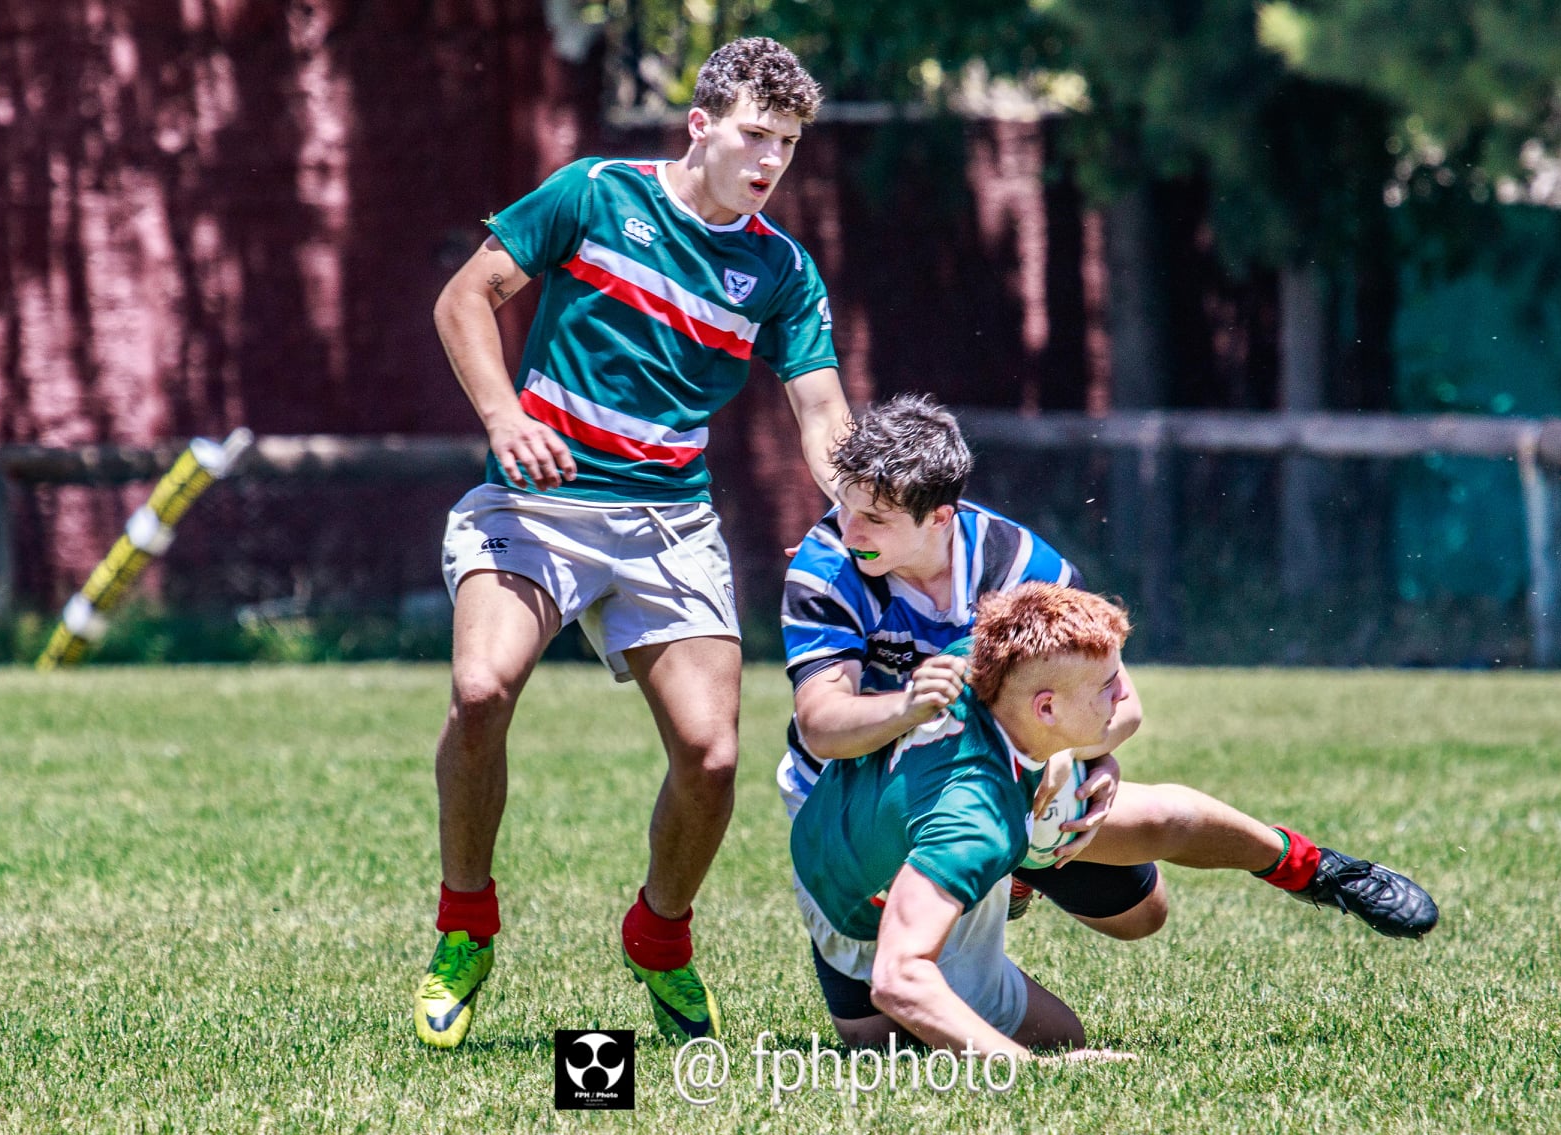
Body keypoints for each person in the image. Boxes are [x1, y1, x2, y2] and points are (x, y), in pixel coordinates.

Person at [415, 37, 851, 1050]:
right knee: (481, 691)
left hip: (668, 526)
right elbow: (462, 299)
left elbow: (821, 407)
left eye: (785, 144)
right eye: (753, 135)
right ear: (699, 124)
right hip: (535, 507)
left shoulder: (780, 269)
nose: (768, 160)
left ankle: (659, 936)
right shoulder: (594, 193)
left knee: (711, 755)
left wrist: (855, 500)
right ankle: (465, 925)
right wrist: (502, 420)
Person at [779, 394, 1438, 944]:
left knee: (1142, 916)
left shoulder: (1019, 567)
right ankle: (998, 869)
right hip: (864, 794)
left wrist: (1069, 749)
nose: (846, 527)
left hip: (1010, 772)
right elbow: (822, 727)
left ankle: (1317, 869)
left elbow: (1123, 703)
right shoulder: (827, 568)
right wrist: (907, 709)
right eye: (845, 505)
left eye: (873, 517)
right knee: (887, 1029)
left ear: (940, 517)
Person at [789, 582, 1143, 1057]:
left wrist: (1073, 754)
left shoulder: (975, 662)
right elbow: (898, 981)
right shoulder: (975, 820)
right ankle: (996, 886)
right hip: (854, 912)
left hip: (833, 830)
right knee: (1057, 1041)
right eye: (1107, 686)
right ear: (1046, 709)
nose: (1124, 695)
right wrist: (1027, 1070)